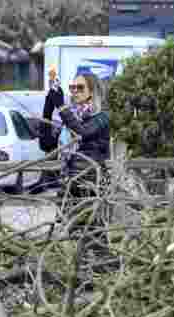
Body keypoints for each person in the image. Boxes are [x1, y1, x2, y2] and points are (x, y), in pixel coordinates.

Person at [49, 72, 113, 267]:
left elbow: (83, 133)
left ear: (92, 91)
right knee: (74, 229)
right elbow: (51, 142)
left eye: (80, 88)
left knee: (93, 229)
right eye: (72, 88)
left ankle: (106, 267)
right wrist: (50, 103)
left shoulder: (102, 116)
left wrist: (61, 107)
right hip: (71, 180)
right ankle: (83, 271)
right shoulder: (73, 118)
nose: (75, 92)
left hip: (90, 180)